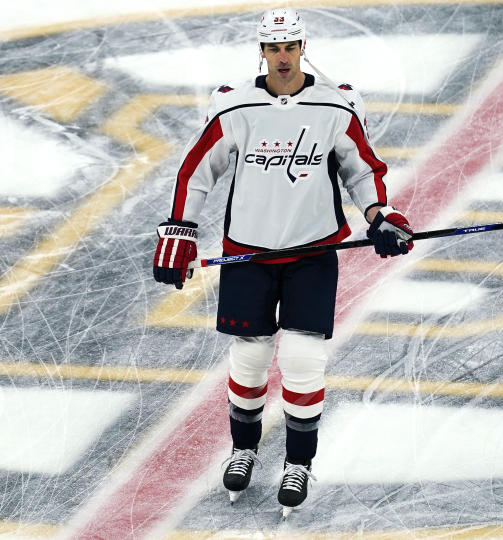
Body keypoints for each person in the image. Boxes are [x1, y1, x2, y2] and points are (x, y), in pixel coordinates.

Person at [152, 7, 414, 516]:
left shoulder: (335, 105)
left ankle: (298, 462)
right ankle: (244, 451)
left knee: (301, 360)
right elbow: (195, 173)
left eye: (290, 47)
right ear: (262, 52)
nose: (283, 57)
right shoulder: (235, 107)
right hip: (248, 252)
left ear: (302, 47)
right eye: (273, 48)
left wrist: (380, 215)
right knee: (249, 360)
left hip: (313, 251)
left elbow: (362, 170)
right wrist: (181, 228)